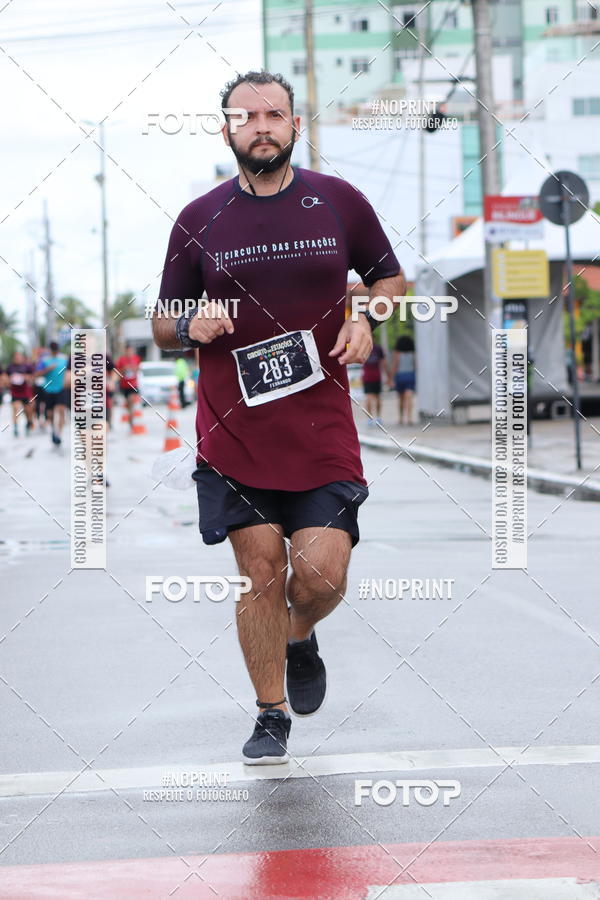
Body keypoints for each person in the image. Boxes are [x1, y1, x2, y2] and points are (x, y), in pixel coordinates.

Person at [152, 70, 405, 765]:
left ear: (296, 124)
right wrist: (188, 322)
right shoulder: (198, 218)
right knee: (258, 569)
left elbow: (388, 279)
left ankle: (299, 634)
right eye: (246, 116)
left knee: (321, 575)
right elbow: (160, 322)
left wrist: (367, 316)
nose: (261, 126)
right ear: (226, 129)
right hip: (235, 432)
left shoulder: (338, 202)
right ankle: (270, 713)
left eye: (274, 115)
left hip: (321, 429)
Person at [38, 342, 68, 445]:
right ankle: (53, 429)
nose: (55, 351)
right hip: (48, 389)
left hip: (61, 389)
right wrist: (47, 369)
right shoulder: (44, 360)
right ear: (50, 350)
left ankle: (58, 434)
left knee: (61, 410)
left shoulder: (64, 359)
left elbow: (70, 372)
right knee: (50, 414)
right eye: (53, 349)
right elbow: (37, 374)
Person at [5, 351, 34, 436]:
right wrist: (9, 379)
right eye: (16, 357)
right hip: (15, 392)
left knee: (28, 410)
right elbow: (5, 377)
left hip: (25, 392)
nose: (17, 358)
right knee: (15, 408)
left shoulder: (27, 366)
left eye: (19, 357)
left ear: (22, 358)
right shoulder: (10, 367)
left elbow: (33, 376)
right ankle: (15, 427)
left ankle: (28, 423)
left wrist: (25, 377)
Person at [361, 341, 389, 426]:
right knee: (378, 397)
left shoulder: (363, 347)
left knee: (368, 397)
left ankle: (370, 419)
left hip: (367, 376)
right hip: (376, 375)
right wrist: (387, 375)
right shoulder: (378, 348)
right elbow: (384, 363)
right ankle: (378, 417)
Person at [115, 344, 141, 431]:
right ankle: (130, 416)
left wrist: (134, 369)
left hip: (133, 385)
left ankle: (132, 418)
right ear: (125, 351)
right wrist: (124, 369)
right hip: (124, 385)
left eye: (131, 351)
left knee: (131, 400)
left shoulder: (136, 358)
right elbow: (117, 372)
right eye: (128, 351)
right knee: (129, 404)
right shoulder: (121, 360)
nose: (130, 353)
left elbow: (139, 368)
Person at [392, 334, 416, 426]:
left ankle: (401, 417)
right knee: (409, 397)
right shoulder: (413, 353)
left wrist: (391, 378)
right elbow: (415, 365)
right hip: (410, 375)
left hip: (400, 376)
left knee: (401, 399)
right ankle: (409, 417)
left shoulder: (397, 353)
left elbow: (395, 365)